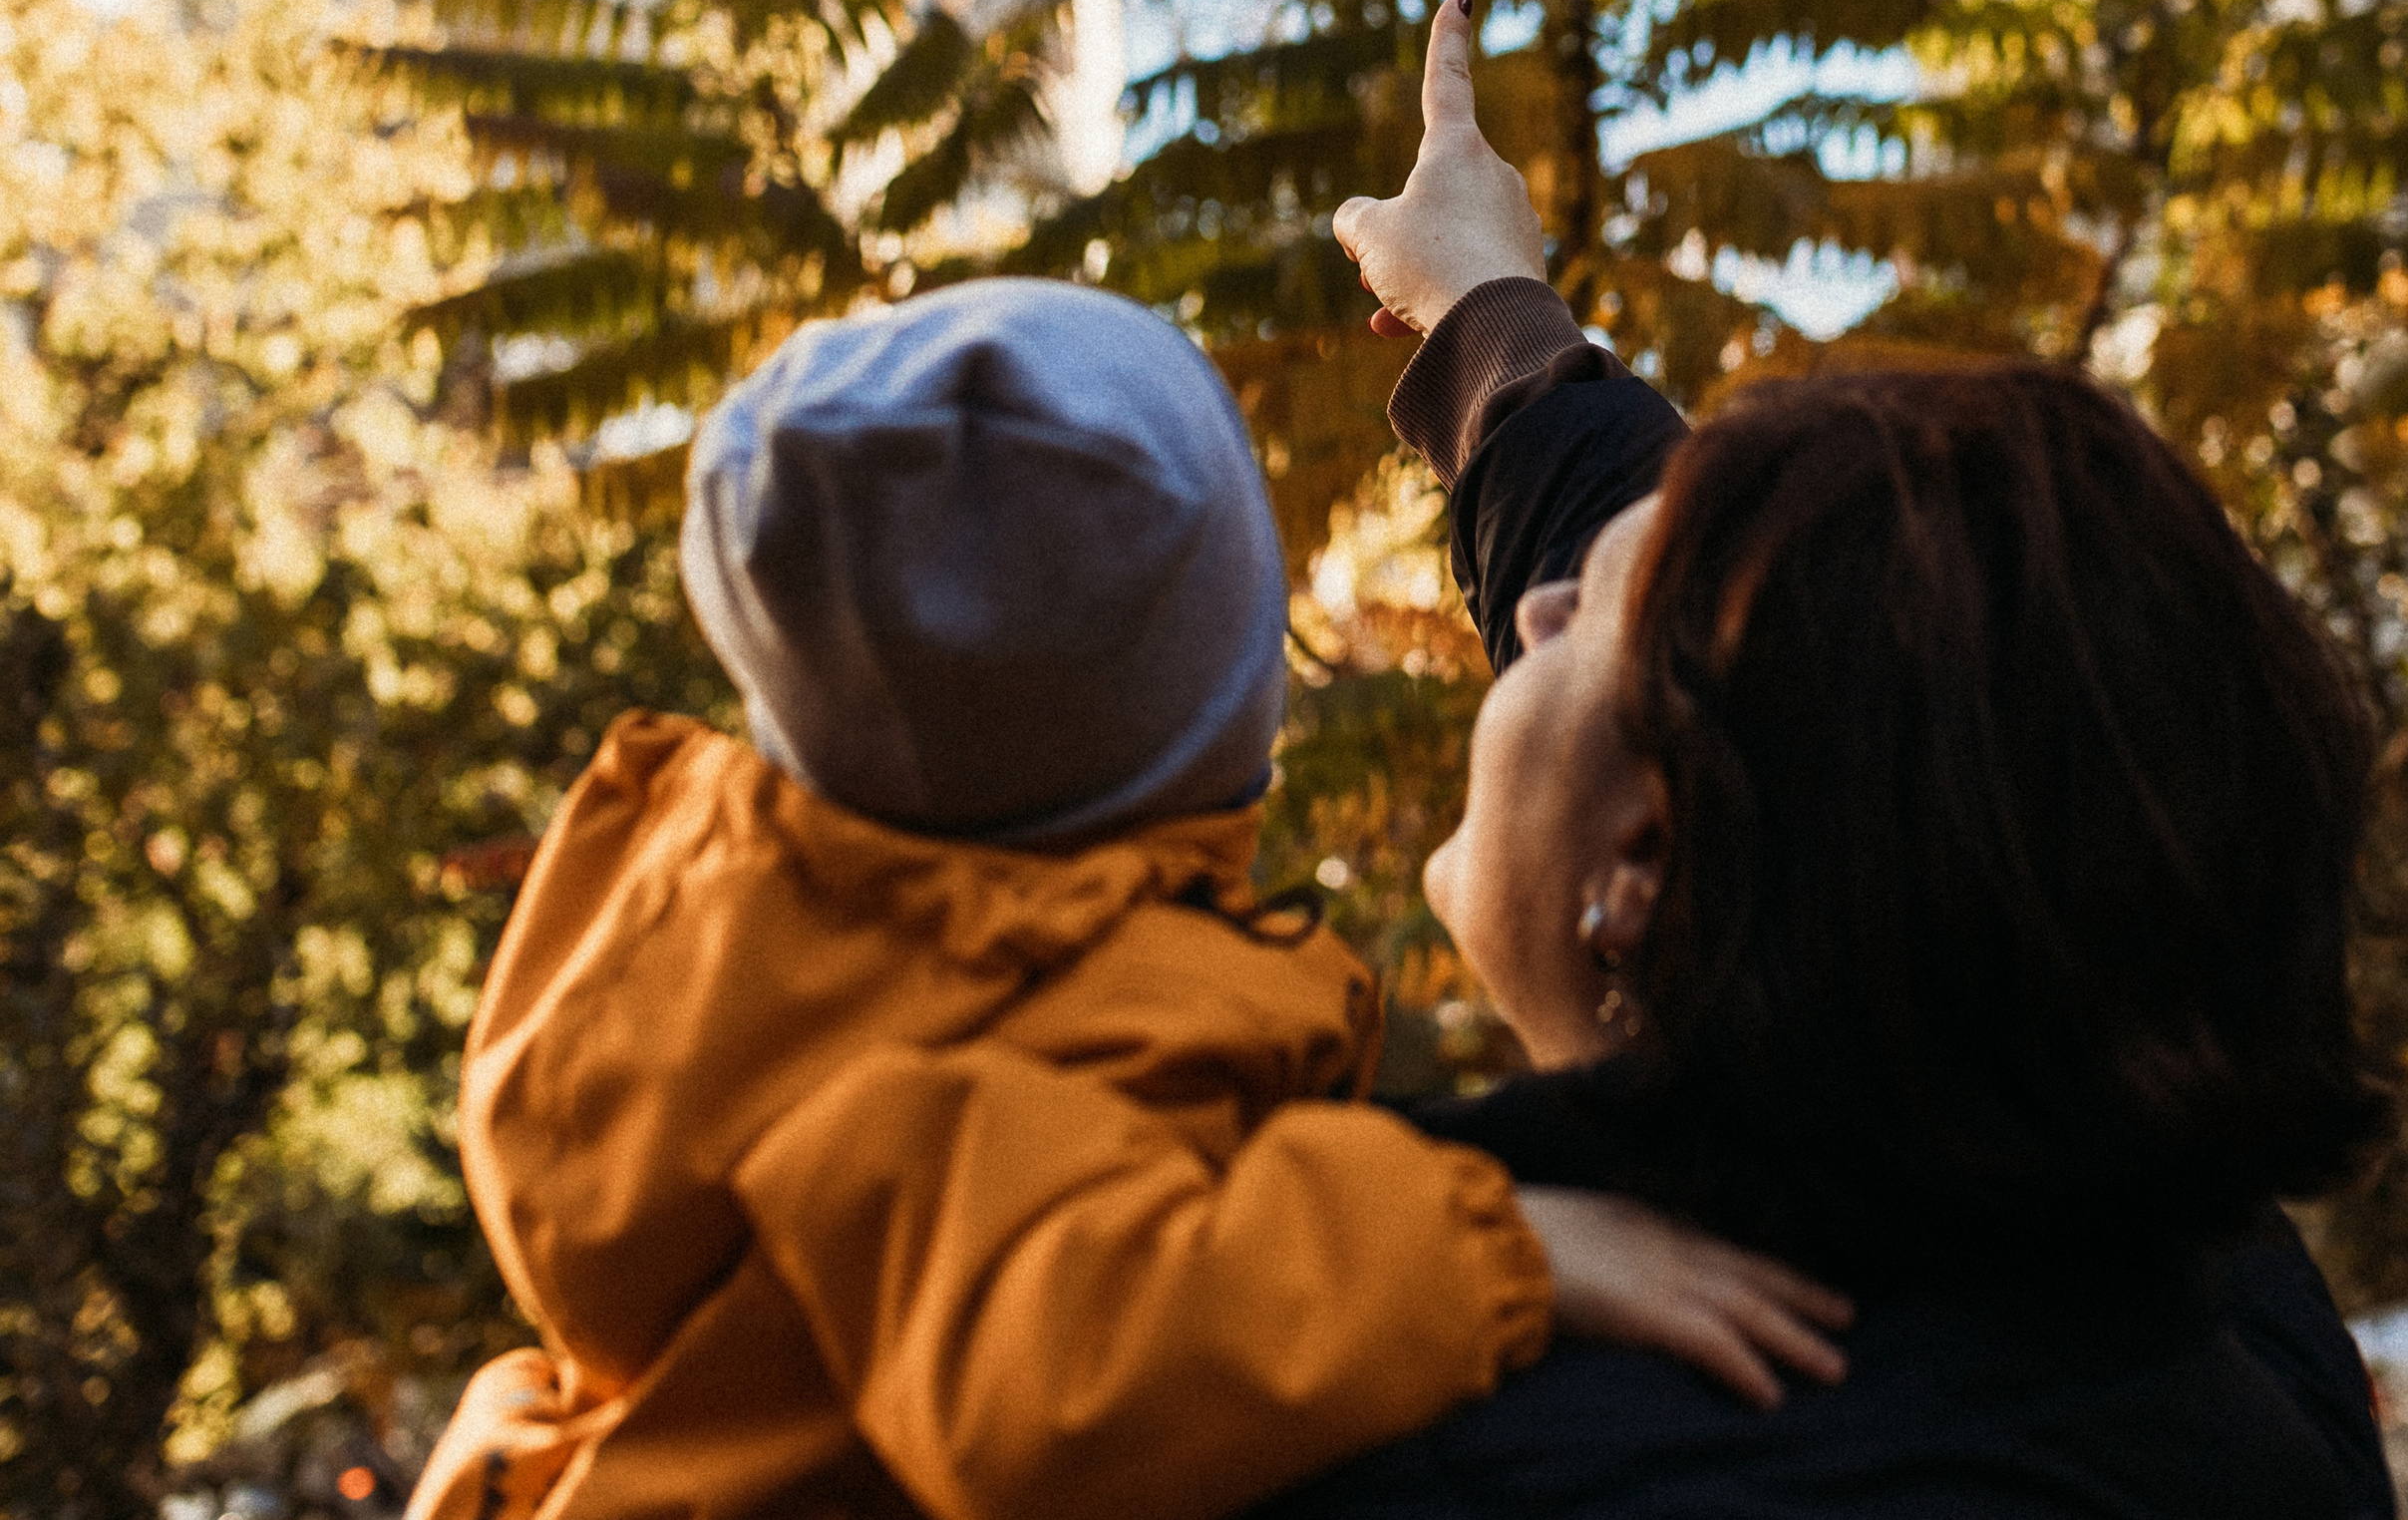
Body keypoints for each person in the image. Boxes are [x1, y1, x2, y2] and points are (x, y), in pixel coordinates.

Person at [407, 277, 1849, 1520]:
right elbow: (1063, 1380)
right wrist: (1496, 1244)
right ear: (1208, 702)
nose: (1544, 614)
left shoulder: (714, 919)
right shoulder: (1034, 1031)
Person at [1258, 0, 2398, 1519]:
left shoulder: (1452, 1442)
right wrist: (1491, 314)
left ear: (1644, 874)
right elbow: (1869, 677)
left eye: (1585, 613)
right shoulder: (2188, 1295)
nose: (1533, 605)